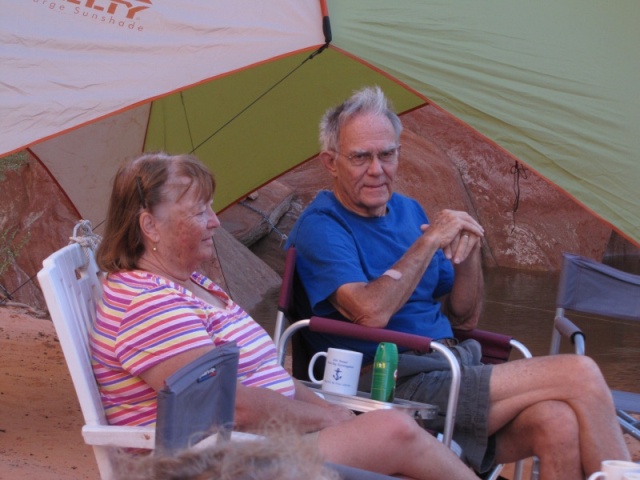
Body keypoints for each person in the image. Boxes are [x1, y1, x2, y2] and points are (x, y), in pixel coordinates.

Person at [286, 86, 631, 479]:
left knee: (557, 422)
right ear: (330, 162)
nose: (377, 170)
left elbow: (464, 318)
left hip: (453, 363)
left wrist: (468, 253)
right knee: (579, 373)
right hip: (391, 382)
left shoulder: (408, 209)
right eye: (361, 157)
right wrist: (430, 239)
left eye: (387, 154)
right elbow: (370, 313)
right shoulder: (322, 225)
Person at [89, 152, 480, 480]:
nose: (215, 221)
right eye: (199, 211)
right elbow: (231, 407)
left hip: (254, 447)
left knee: (391, 432)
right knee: (394, 430)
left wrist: (330, 411)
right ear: (149, 226)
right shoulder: (148, 305)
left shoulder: (192, 284)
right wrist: (327, 420)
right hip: (216, 463)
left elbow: (272, 379)